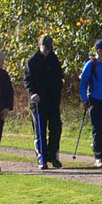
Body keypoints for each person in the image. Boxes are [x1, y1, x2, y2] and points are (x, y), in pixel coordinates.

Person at [24, 35, 66, 170]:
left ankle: (53, 156)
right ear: (39, 45)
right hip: (38, 102)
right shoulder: (32, 62)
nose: (47, 51)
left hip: (53, 101)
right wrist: (33, 93)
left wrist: (57, 92)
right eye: (45, 48)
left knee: (56, 128)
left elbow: (59, 79)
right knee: (40, 130)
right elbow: (28, 81)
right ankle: (42, 158)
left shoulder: (54, 60)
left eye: (49, 48)